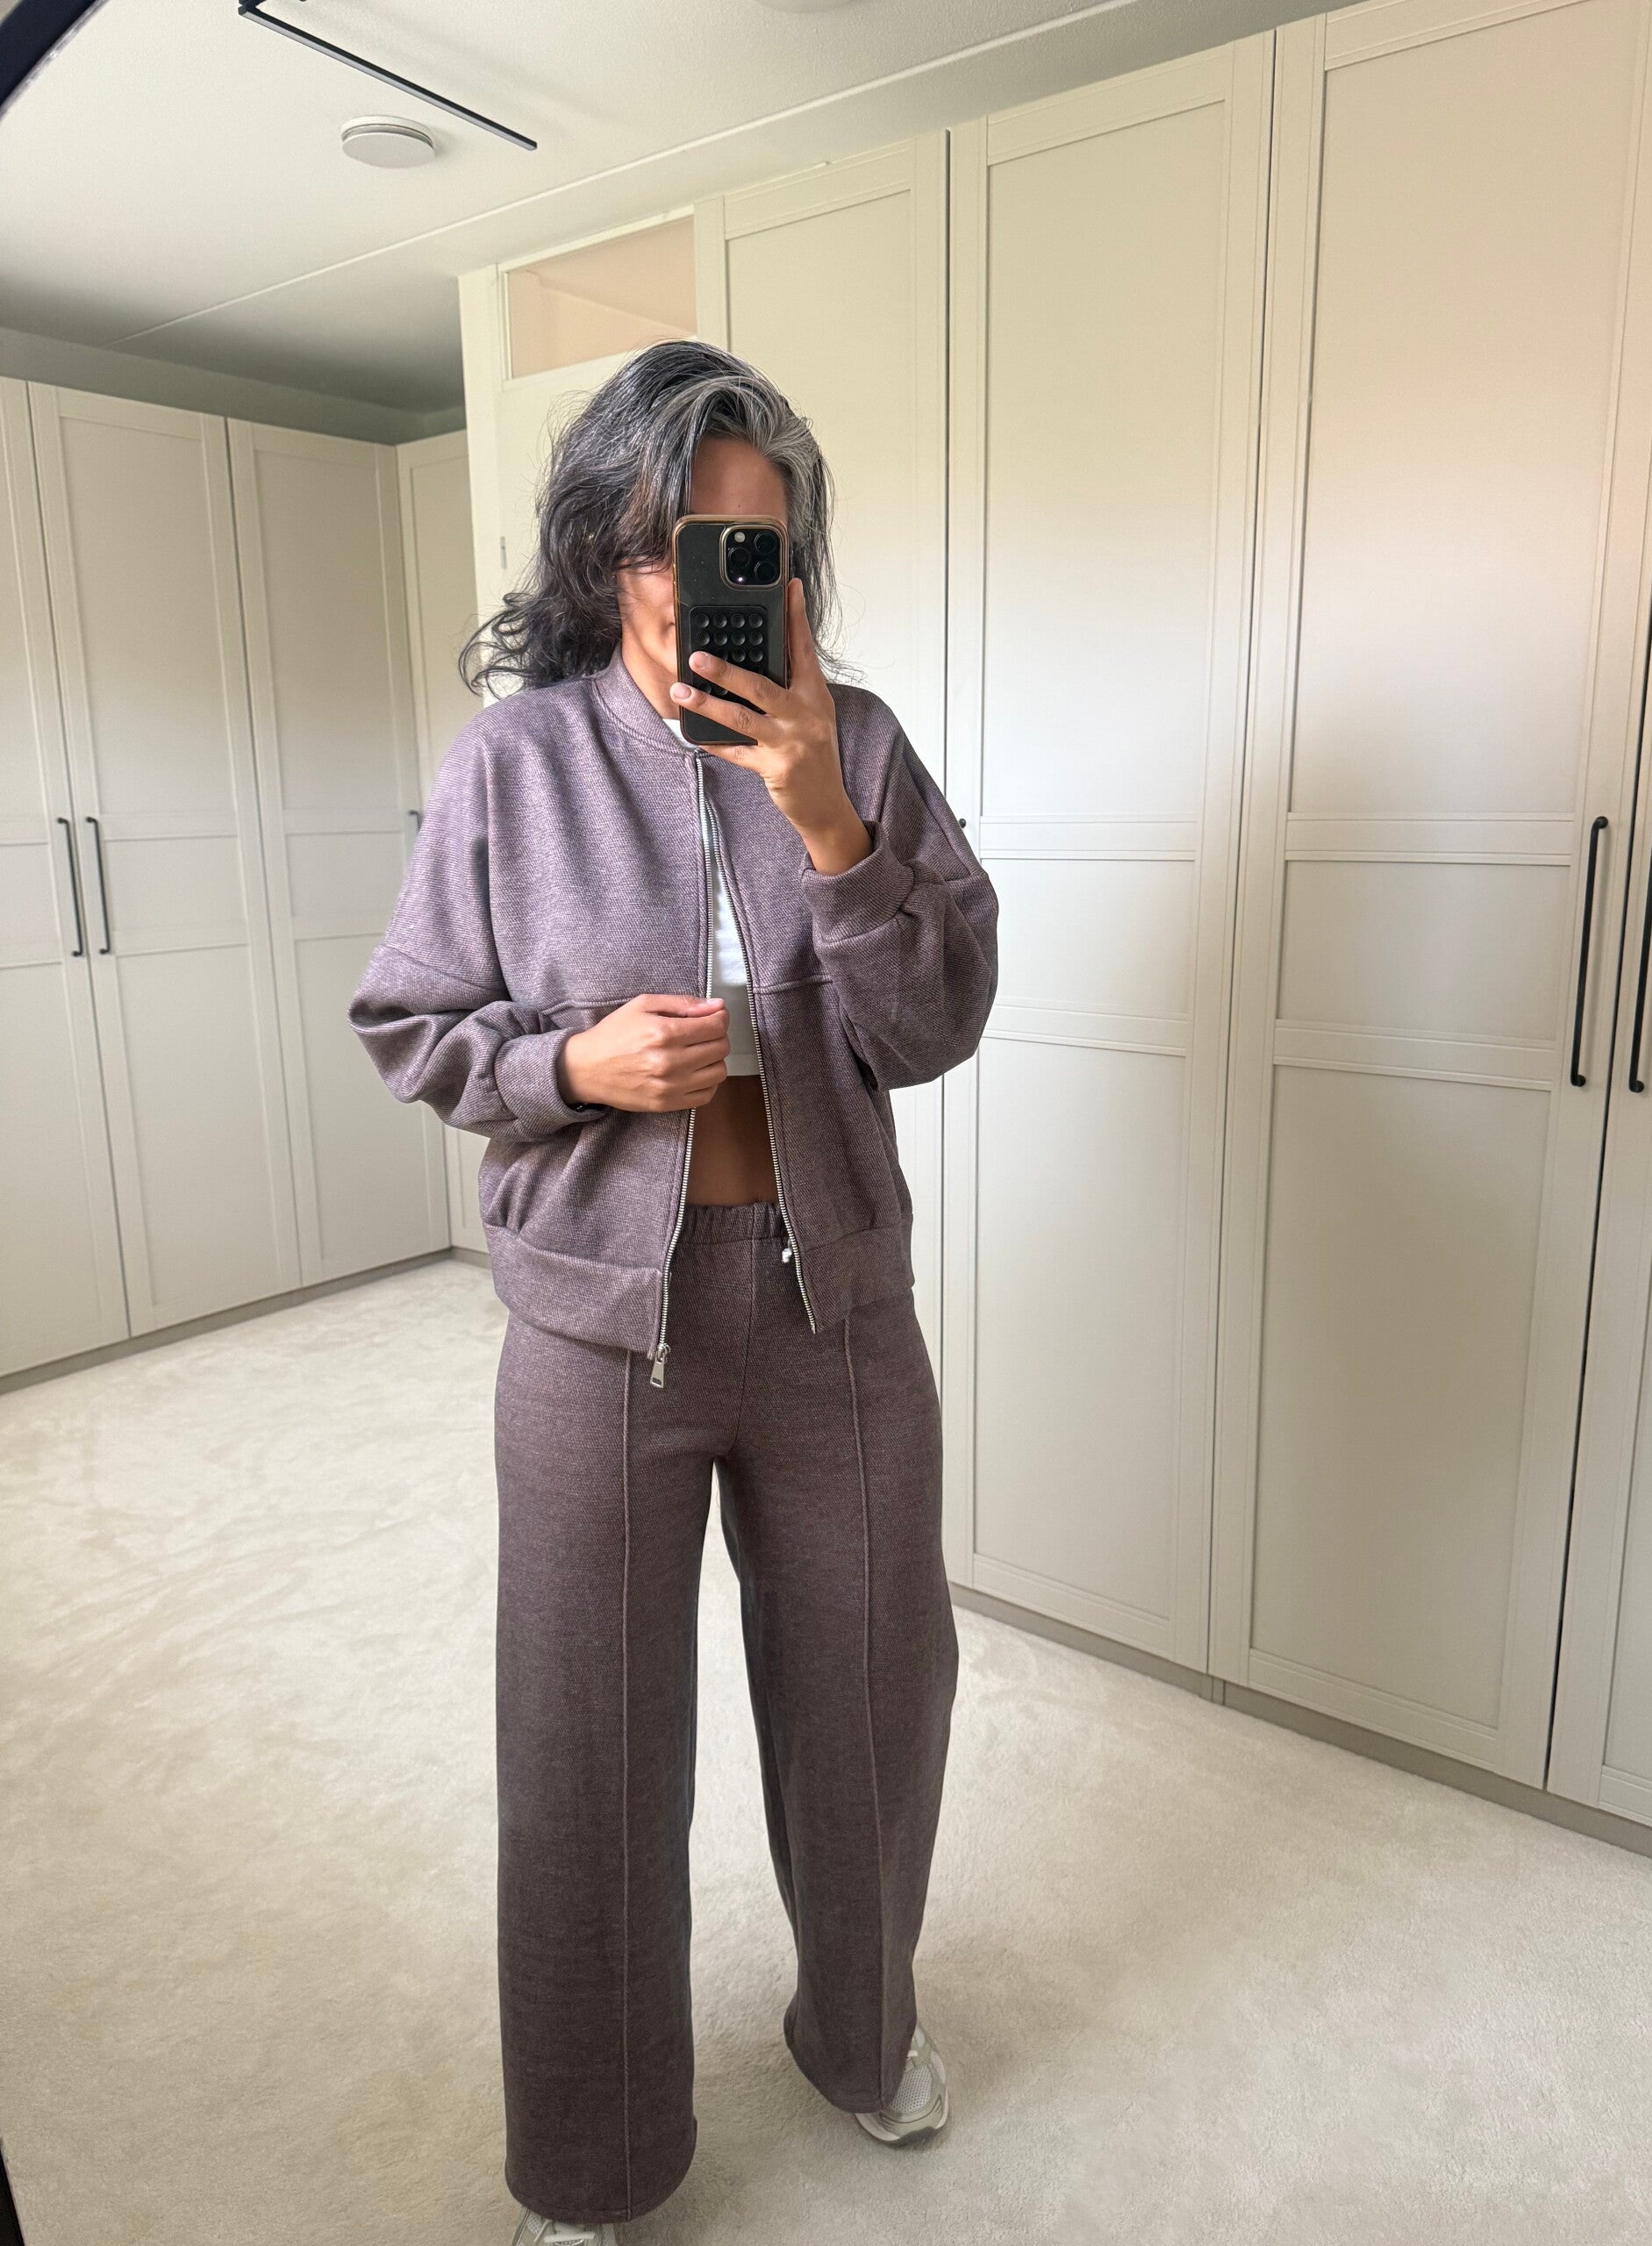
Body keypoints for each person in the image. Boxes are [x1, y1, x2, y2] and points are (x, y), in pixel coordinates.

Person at [348, 339, 999, 2245]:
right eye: (669, 541)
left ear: (787, 566)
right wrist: (575, 1067)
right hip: (592, 1330)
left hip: (831, 1313)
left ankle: (861, 2033)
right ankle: (595, 2155)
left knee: (875, 1702)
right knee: (588, 1750)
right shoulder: (516, 764)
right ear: (604, 547)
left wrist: (826, 819)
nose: (701, 582)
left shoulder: (857, 743)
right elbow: (412, 1021)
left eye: (748, 548)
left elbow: (936, 1022)